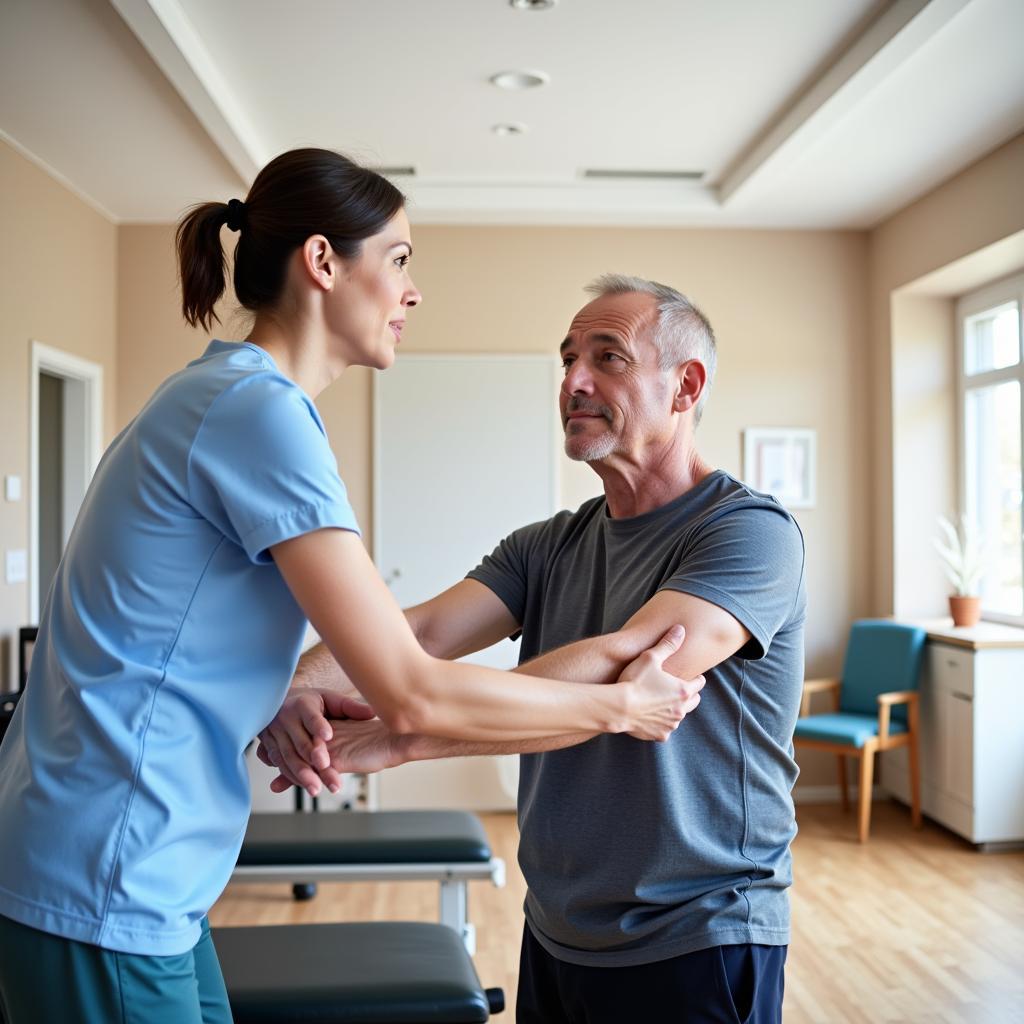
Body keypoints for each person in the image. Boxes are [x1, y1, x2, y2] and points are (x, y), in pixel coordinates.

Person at [0, 152, 701, 1024]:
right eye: (399, 260)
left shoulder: (224, 398)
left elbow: (177, 633)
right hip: (106, 872)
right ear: (324, 262)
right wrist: (622, 711)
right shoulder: (258, 413)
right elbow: (410, 690)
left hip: (129, 866)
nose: (411, 292)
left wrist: (277, 692)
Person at [261, 274, 807, 1024]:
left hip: (698, 933)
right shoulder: (548, 544)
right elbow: (415, 634)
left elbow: (627, 667)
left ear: (685, 387)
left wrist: (402, 733)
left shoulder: (749, 533)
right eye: (568, 359)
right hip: (559, 927)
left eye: (607, 358)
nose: (574, 381)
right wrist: (293, 685)